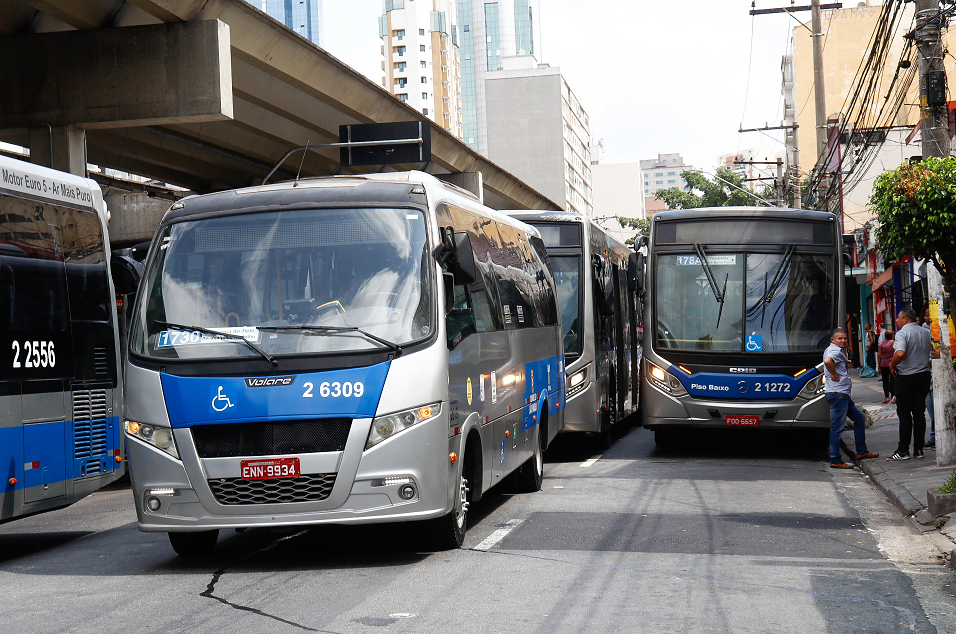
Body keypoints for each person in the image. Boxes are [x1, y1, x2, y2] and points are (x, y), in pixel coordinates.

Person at [824, 327, 878, 469]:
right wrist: (836, 376)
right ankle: (835, 459)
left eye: (845, 338)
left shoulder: (835, 350)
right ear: (833, 340)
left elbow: (833, 361)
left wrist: (844, 362)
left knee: (859, 418)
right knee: (837, 427)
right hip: (838, 395)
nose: (843, 341)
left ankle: (862, 451)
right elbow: (828, 362)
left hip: (842, 395)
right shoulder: (834, 351)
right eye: (840, 338)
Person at [888, 308, 933, 460]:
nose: (896, 320)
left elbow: (900, 353)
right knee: (919, 413)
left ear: (906, 319)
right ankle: (919, 449)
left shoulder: (902, 333)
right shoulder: (926, 332)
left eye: (898, 317)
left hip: (907, 377)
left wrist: (892, 365)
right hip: (923, 376)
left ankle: (903, 450)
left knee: (904, 414)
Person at [923, 313, 936, 449]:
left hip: (934, 380)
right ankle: (933, 436)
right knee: (931, 411)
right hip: (929, 379)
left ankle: (934, 436)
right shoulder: (926, 334)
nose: (927, 318)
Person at [878, 330, 895, 403]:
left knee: (885, 380)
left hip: (883, 363)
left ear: (885, 336)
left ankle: (886, 397)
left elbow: (879, 355)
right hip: (892, 364)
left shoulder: (882, 343)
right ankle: (893, 397)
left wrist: (879, 365)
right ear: (892, 336)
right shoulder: (894, 343)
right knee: (893, 380)